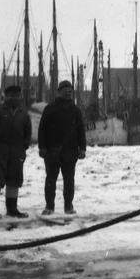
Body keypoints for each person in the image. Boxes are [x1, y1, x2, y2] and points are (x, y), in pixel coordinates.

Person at [38, 80, 86, 215]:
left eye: (70, 91)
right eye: (65, 91)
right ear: (58, 92)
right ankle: (49, 206)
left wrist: (82, 148)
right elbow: (42, 129)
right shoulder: (50, 109)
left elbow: (81, 131)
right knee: (51, 180)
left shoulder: (76, 111)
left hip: (70, 151)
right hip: (52, 151)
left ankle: (68, 206)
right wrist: (42, 148)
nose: (68, 93)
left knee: (69, 181)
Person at [0, 85, 33, 219]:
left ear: (20, 97)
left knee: (15, 179)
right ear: (6, 96)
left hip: (17, 151)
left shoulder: (23, 114)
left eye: (17, 95)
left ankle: (12, 209)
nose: (14, 98)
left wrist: (24, 146)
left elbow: (28, 131)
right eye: (11, 95)